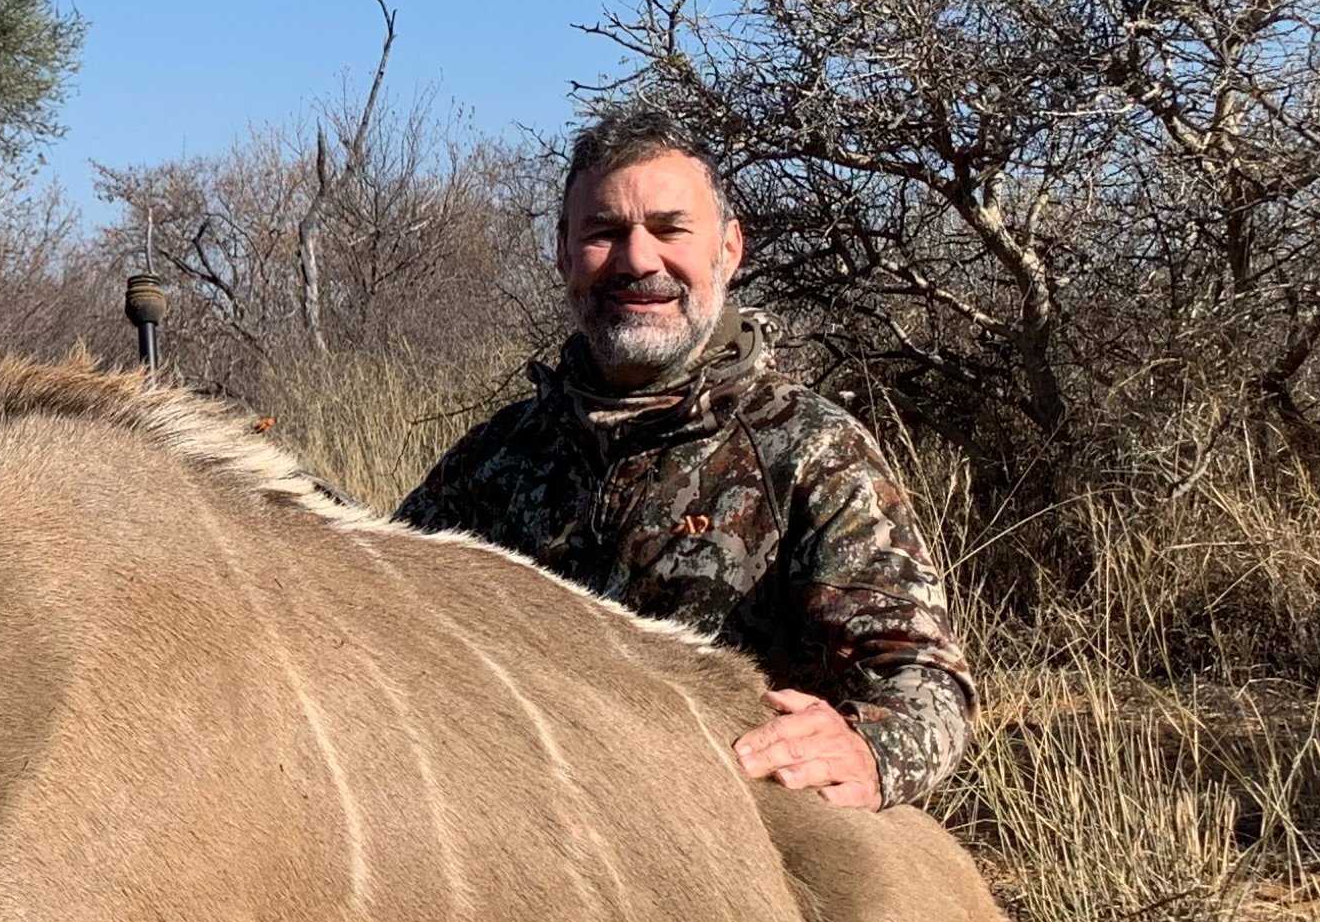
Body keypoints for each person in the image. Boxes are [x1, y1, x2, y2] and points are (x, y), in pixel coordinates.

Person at [394, 107, 974, 813]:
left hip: (723, 849)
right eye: (604, 233)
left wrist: (871, 749)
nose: (638, 260)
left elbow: (920, 676)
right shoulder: (495, 458)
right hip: (533, 837)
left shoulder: (811, 448)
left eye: (670, 229)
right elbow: (386, 614)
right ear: (562, 254)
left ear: (729, 250)